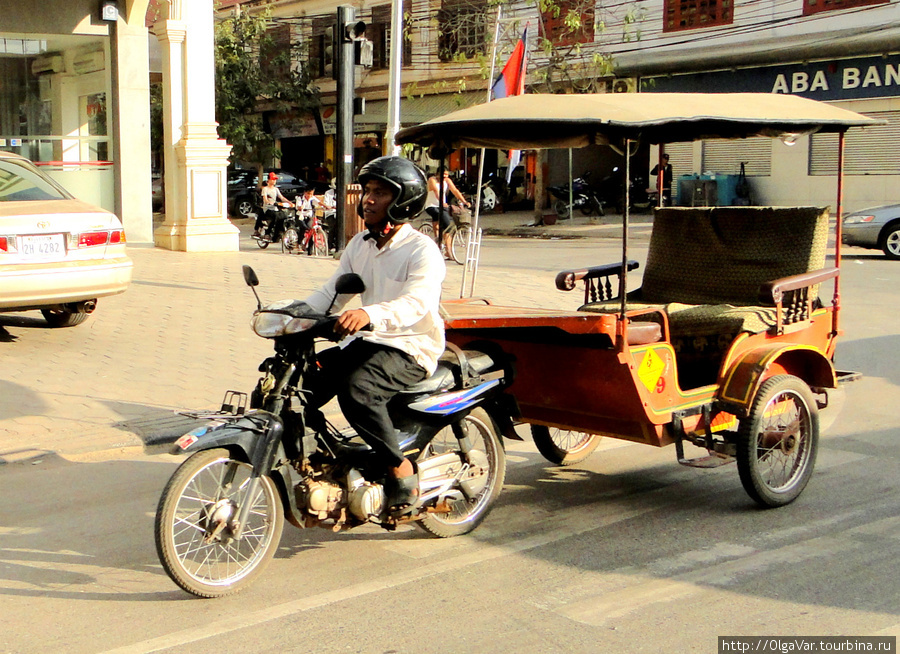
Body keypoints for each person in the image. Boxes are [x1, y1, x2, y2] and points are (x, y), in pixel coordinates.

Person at [302, 156, 446, 514]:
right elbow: (331, 293)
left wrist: (369, 313)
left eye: (379, 192)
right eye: (367, 191)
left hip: (411, 346)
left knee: (358, 390)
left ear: (403, 200)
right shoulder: (360, 245)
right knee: (302, 382)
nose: (368, 199)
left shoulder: (422, 250)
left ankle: (400, 468)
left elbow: (416, 302)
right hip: (369, 341)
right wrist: (292, 314)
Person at [425, 171, 470, 259]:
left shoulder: (447, 181)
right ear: (437, 174)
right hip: (431, 206)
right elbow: (436, 191)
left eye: (447, 175)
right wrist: (442, 202)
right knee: (447, 224)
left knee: (444, 225)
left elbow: (455, 191)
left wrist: (464, 201)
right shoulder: (432, 180)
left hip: (442, 206)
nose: (445, 176)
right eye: (443, 174)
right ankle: (446, 248)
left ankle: (443, 246)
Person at [254, 172, 291, 237]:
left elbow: (281, 197)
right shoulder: (265, 189)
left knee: (283, 215)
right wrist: (269, 202)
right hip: (267, 209)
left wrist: (289, 202)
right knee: (275, 216)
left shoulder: (276, 189)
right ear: (268, 180)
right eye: (273, 179)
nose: (274, 181)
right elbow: (265, 199)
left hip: (275, 208)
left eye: (275, 179)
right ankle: (267, 233)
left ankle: (279, 231)